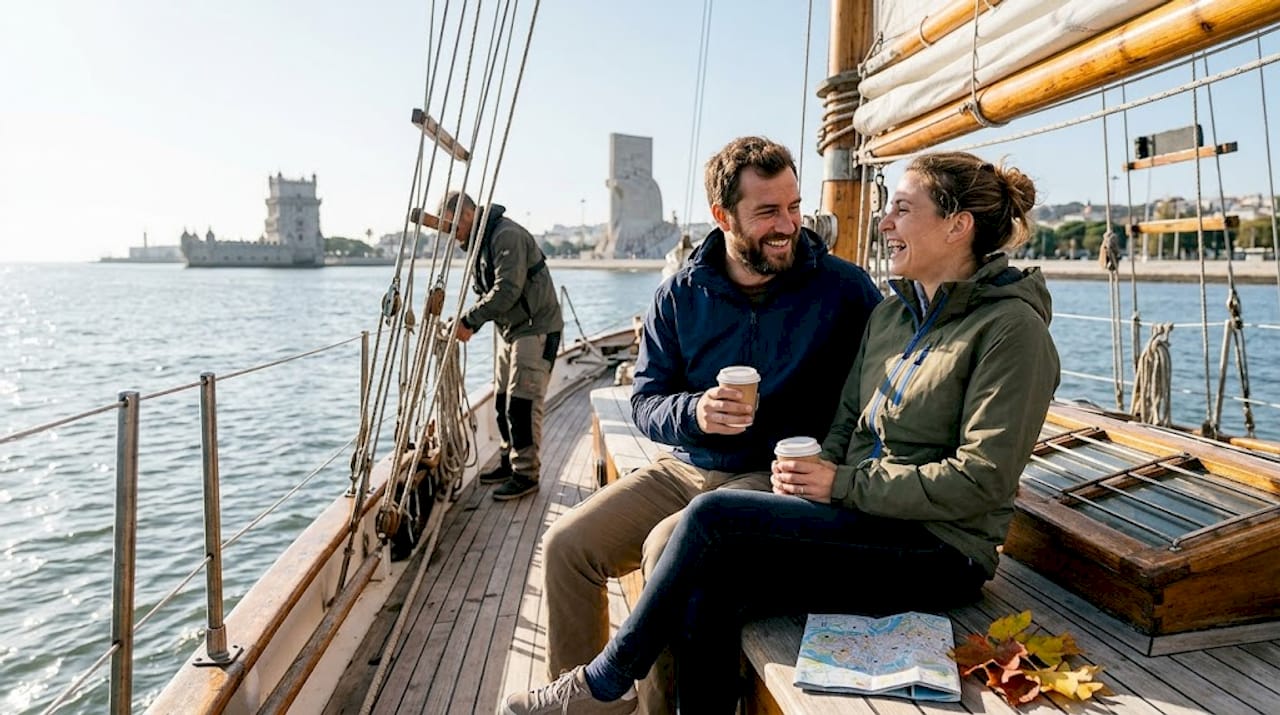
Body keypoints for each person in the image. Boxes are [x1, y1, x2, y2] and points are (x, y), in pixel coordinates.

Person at [500, 150, 1061, 714]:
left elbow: (983, 479)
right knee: (686, 580)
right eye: (769, 210)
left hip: (940, 546)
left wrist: (837, 483)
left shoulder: (1006, 329)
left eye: (901, 209)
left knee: (706, 524)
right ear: (724, 216)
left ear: (958, 226)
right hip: (827, 504)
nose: (884, 222)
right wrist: (709, 420)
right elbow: (847, 421)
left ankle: (606, 682)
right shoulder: (892, 317)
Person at [530, 136, 882, 715]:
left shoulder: (843, 290)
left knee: (664, 549)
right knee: (566, 546)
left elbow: (892, 383)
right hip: (688, 468)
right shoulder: (679, 294)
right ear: (723, 216)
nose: (787, 225)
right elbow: (646, 401)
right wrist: (694, 412)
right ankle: (586, 706)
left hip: (772, 478)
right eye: (767, 212)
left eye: (794, 207)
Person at [440, 191, 565, 501]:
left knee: (522, 403)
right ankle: (510, 462)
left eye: (452, 226)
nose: (451, 235)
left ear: (468, 215)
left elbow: (507, 290)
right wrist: (467, 320)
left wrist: (469, 321)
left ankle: (526, 474)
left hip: (535, 328)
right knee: (502, 401)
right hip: (511, 330)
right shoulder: (480, 244)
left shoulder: (506, 235)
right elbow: (488, 292)